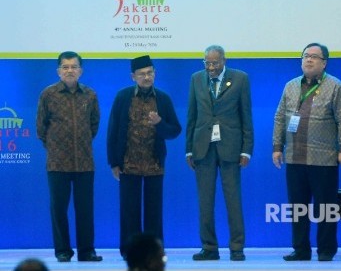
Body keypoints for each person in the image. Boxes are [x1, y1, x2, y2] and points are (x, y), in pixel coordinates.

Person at [272, 43, 341, 262]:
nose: (309, 60)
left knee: (326, 208)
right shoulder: (290, 86)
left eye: (314, 57)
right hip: (294, 156)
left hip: (324, 158)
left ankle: (326, 250)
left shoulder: (335, 86)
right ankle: (301, 249)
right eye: (306, 56)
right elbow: (279, 117)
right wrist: (277, 148)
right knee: (298, 207)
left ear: (324, 63)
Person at [107, 55, 181, 259]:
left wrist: (159, 123)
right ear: (133, 77)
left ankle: (154, 250)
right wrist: (113, 161)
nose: (147, 77)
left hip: (154, 163)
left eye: (150, 73)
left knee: (153, 212)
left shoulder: (163, 99)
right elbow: (112, 131)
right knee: (129, 211)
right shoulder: (123, 97)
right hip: (128, 163)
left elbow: (174, 131)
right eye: (142, 74)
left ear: (155, 74)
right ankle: (129, 250)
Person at [185, 45, 254, 261]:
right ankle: (209, 247)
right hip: (202, 148)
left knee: (233, 199)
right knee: (205, 201)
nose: (211, 67)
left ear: (224, 60)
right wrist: (188, 149)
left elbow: (246, 116)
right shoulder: (196, 78)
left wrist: (247, 150)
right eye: (207, 63)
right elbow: (192, 116)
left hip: (231, 148)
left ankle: (237, 247)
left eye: (215, 62)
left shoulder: (240, 78)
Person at [36, 51, 102, 262]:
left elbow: (94, 125)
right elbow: (41, 127)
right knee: (59, 209)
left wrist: (80, 143)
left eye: (74, 67)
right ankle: (63, 251)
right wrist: (56, 147)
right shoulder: (48, 94)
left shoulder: (90, 95)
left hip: (84, 162)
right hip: (57, 163)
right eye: (65, 67)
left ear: (80, 71)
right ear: (58, 71)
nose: (70, 70)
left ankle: (86, 251)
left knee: (85, 209)